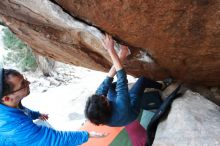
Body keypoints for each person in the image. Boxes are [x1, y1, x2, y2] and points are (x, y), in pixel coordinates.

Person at [0, 68, 107, 146]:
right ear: (7, 98)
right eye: (22, 84)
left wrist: (36, 114)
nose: (29, 82)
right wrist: (87, 135)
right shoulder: (14, 125)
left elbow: (22, 111)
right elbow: (52, 140)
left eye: (25, 79)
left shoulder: (8, 105)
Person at [85, 34, 172, 127]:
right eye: (103, 99)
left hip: (117, 112)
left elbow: (106, 81)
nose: (102, 95)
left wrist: (120, 57)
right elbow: (122, 78)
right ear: (107, 106)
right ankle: (162, 86)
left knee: (109, 85)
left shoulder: (98, 114)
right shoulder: (121, 107)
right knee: (142, 81)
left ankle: (123, 54)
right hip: (132, 112)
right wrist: (111, 50)